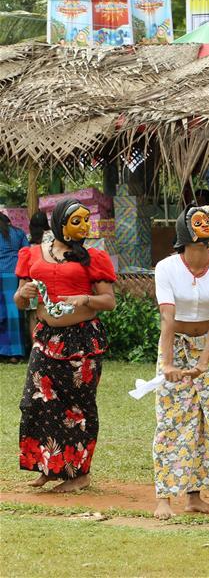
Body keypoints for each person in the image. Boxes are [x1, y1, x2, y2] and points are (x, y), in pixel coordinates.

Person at [146, 206, 209, 519]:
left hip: (207, 346)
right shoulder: (166, 268)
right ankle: (164, 496)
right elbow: (167, 318)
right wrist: (167, 365)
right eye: (203, 225)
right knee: (172, 420)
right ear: (186, 237)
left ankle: (194, 496)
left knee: (208, 421)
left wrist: (204, 362)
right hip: (175, 345)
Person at [13, 199, 116, 492]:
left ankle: (79, 474)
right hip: (46, 339)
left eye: (86, 221)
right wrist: (24, 292)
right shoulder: (31, 254)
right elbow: (21, 302)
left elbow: (109, 301)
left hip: (83, 341)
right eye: (77, 221)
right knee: (38, 402)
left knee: (77, 406)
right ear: (59, 222)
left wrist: (85, 299)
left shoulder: (92, 256)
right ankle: (48, 467)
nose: (84, 226)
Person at [1, 212, 29, 361]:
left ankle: (2, 351)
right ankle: (15, 354)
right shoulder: (18, 233)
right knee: (14, 315)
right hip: (12, 275)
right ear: (8, 222)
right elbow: (27, 252)